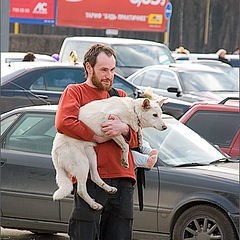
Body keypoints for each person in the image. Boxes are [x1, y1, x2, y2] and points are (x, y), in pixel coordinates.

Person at [55, 43, 139, 240]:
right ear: (88, 68)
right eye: (103, 70)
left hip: (123, 179)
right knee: (85, 233)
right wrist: (96, 137)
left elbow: (137, 138)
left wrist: (124, 129)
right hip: (92, 180)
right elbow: (64, 122)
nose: (109, 75)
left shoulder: (121, 96)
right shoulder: (75, 92)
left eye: (112, 70)